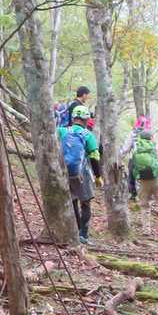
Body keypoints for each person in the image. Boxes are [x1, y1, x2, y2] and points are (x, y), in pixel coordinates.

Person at [126, 117, 158, 245]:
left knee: (144, 206)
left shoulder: (136, 150)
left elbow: (131, 170)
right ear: (151, 137)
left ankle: (146, 231)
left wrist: (132, 190)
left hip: (143, 181)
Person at [59, 103, 99, 243]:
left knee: (73, 201)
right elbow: (94, 157)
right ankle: (83, 235)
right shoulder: (88, 135)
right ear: (86, 119)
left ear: (73, 117)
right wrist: (98, 176)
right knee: (86, 203)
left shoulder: (62, 131)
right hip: (83, 173)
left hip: (65, 172)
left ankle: (75, 231)